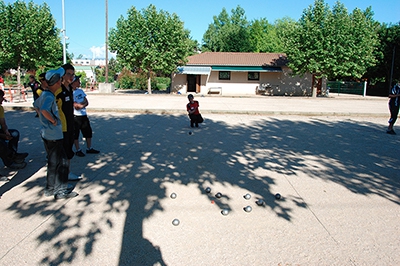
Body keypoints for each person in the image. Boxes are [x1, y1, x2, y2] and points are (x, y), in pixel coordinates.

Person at [33, 68, 78, 199]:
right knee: (62, 162)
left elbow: (36, 106)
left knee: (53, 162)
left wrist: (44, 121)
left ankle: (50, 188)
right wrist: (53, 120)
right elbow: (44, 110)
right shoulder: (49, 96)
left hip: (47, 133)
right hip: (54, 134)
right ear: (57, 82)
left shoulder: (45, 94)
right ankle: (61, 190)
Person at [58, 63, 81, 181]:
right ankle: (62, 175)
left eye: (73, 74)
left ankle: (68, 172)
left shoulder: (70, 89)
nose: (71, 76)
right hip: (62, 126)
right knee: (62, 151)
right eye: (68, 74)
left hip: (70, 123)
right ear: (62, 74)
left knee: (68, 149)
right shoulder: (58, 89)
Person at [70, 75, 100, 156]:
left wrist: (82, 105)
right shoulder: (70, 93)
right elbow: (75, 106)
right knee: (75, 134)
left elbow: (86, 102)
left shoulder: (80, 91)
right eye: (78, 81)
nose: (79, 82)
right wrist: (81, 105)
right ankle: (78, 149)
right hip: (75, 116)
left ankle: (89, 148)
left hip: (83, 115)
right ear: (73, 82)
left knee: (88, 132)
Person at [0, 90, 28, 169]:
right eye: (1, 97)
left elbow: (3, 123)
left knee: (14, 134)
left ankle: (13, 155)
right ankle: (11, 158)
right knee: (1, 143)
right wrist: (3, 136)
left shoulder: (0, 108)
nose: (3, 99)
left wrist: (6, 132)